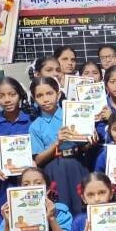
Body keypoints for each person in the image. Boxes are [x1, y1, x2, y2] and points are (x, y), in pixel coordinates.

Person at [29, 77, 95, 215]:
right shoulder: (35, 126)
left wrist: (90, 141)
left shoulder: (73, 114)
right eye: (39, 96)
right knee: (60, 207)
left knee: (82, 203)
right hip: (53, 169)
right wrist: (56, 144)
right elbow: (38, 159)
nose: (45, 99)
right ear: (34, 99)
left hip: (77, 164)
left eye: (49, 93)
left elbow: (84, 147)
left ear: (58, 94)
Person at [0, 77, 35, 213]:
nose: (7, 100)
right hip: (5, 182)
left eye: (12, 94)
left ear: (20, 95)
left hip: (32, 181)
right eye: (1, 96)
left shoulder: (32, 120)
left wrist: (36, 162)